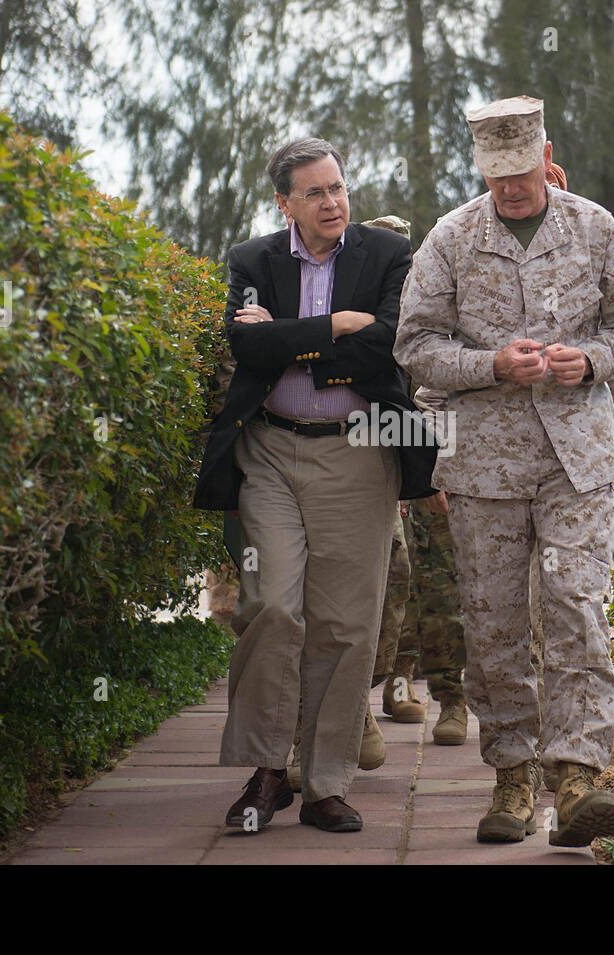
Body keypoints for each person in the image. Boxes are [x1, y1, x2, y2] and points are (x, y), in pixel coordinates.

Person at [394, 96, 614, 846]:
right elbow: (415, 347)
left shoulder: (595, 227)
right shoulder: (450, 240)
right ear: (480, 169)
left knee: (578, 605)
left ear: (546, 155)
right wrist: (489, 365)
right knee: (496, 623)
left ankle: (577, 776)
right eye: (496, 176)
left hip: (579, 457)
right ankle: (511, 775)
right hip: (486, 466)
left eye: (522, 173)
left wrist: (594, 360)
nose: (511, 188)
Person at [193, 138, 437, 833]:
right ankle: (267, 771)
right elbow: (248, 346)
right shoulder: (251, 260)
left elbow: (388, 341)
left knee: (344, 623)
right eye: (316, 193)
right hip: (269, 450)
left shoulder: (388, 256)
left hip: (360, 456)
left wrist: (292, 335)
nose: (333, 202)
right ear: (285, 203)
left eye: (339, 187)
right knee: (272, 605)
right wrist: (333, 325)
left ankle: (326, 781)